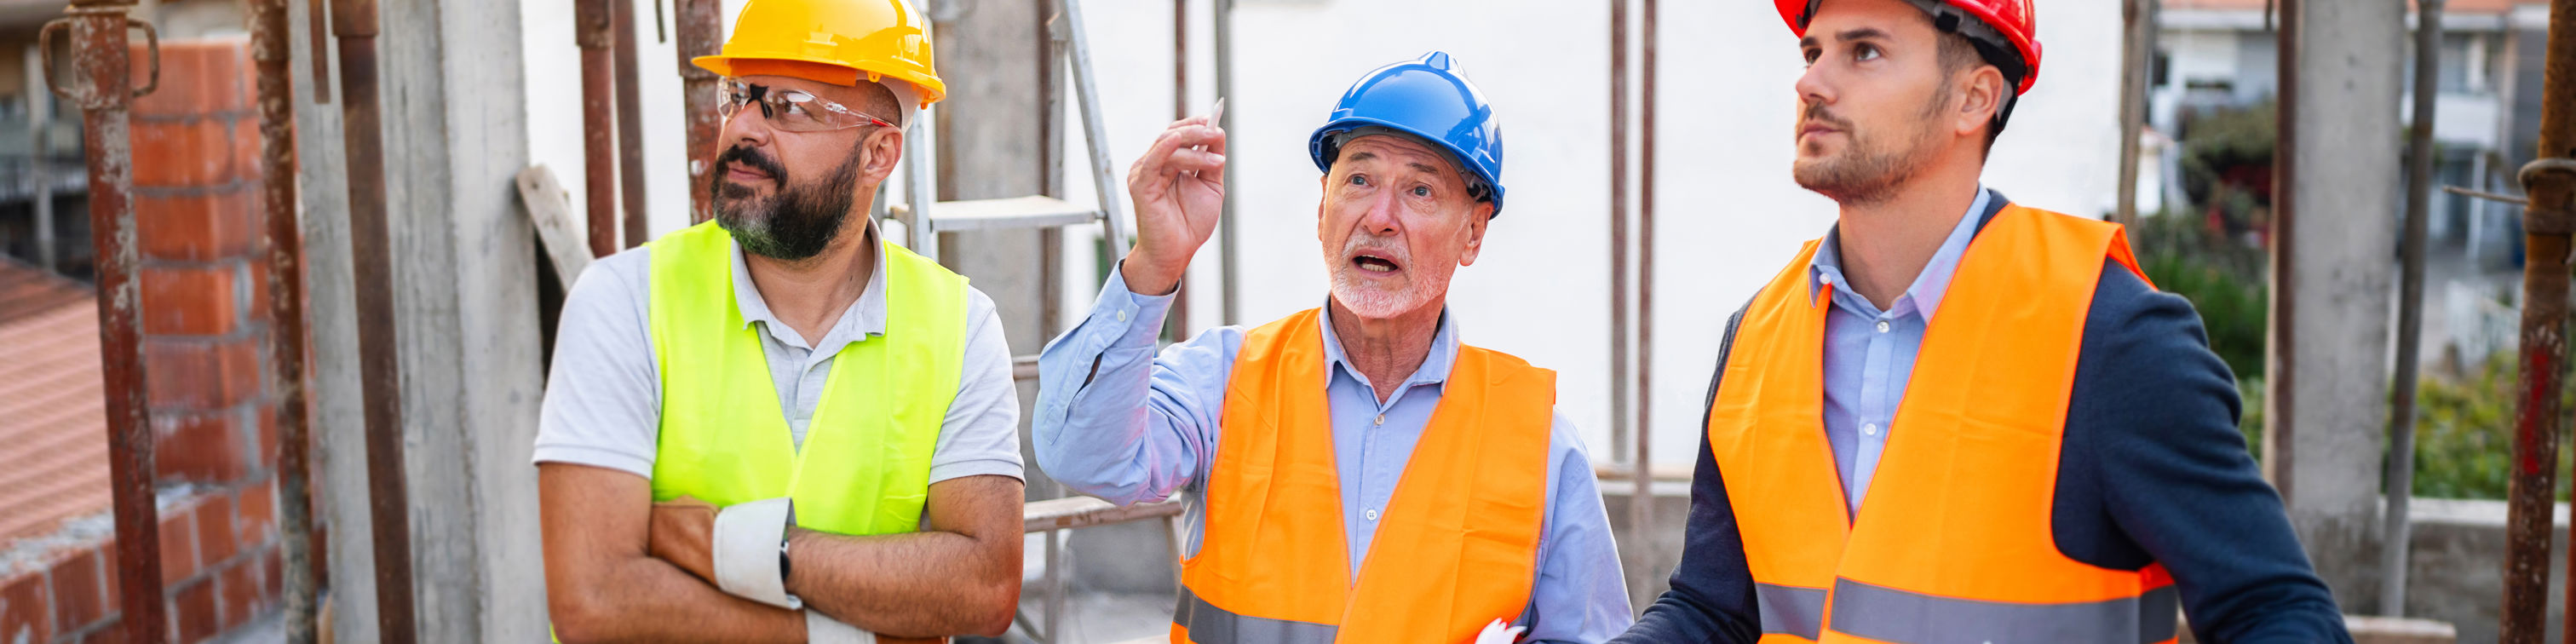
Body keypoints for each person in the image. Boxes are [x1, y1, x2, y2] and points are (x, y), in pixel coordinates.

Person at [1611, 1, 2350, 641]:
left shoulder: (2111, 335)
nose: (1811, 81)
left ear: (1974, 99)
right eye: (1812, 51)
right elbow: (1713, 613)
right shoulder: (1756, 339)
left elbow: (2275, 610)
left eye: (1863, 51)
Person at [1032, 51, 1633, 643]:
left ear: (1472, 232)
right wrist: (1152, 266)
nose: (1379, 217)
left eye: (1420, 190)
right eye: (1359, 180)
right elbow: (1081, 456)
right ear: (1323, 206)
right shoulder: (1223, 380)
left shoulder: (1539, 444)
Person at [532, 1, 1021, 641]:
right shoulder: (624, 301)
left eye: (788, 105)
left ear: (878, 153)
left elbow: (984, 586)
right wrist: (835, 634)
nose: (744, 129)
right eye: (739, 95)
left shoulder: (960, 324)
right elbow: (594, 601)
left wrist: (742, 548)